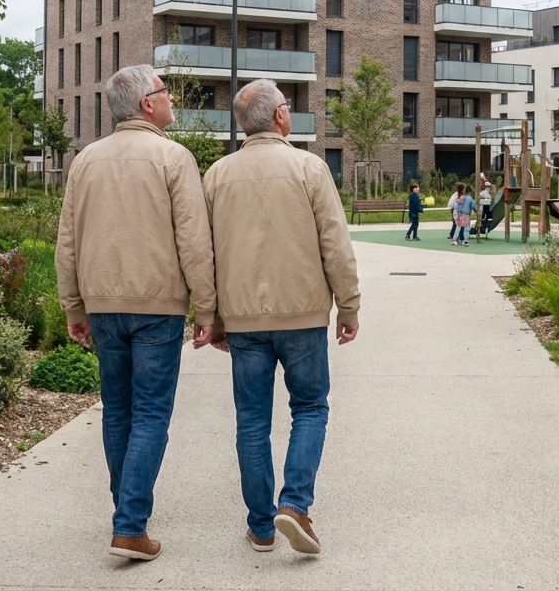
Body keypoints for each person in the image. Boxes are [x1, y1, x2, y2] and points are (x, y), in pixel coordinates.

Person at [56, 65, 218, 562]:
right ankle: (129, 524)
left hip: (103, 306)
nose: (172, 100)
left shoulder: (85, 161)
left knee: (118, 412)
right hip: (157, 308)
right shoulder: (173, 157)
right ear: (148, 103)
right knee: (149, 414)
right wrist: (207, 307)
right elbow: (194, 241)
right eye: (166, 92)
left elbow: (68, 240)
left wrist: (73, 306)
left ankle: (125, 513)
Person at [202, 80, 360, 556]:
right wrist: (348, 305)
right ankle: (294, 504)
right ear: (278, 118)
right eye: (288, 106)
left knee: (251, 420)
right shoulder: (310, 168)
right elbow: (335, 244)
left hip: (243, 318)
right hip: (303, 315)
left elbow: (202, 252)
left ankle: (261, 528)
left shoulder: (217, 175)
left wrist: (210, 315)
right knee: (310, 408)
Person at [452, 182, 475, 246]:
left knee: (458, 227)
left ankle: (454, 239)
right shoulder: (469, 198)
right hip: (466, 214)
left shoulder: (459, 198)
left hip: (460, 214)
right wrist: (476, 210)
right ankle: (466, 240)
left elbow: (456, 206)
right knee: (466, 227)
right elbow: (473, 205)